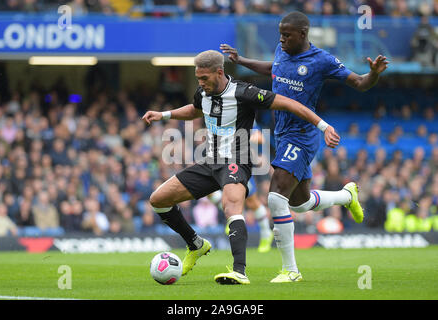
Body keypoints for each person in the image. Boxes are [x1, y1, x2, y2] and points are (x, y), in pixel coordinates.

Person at [142, 49, 339, 285]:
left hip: (236, 160)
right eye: (198, 78)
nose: (200, 82)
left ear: (219, 72)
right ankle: (195, 244)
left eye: (204, 78)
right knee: (158, 199)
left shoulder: (245, 92)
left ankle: (239, 271)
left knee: (231, 206)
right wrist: (163, 115)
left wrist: (323, 126)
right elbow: (195, 109)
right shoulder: (203, 91)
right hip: (210, 161)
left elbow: (289, 104)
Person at [220, 11, 388, 283]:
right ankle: (346, 196)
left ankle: (291, 271)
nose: (282, 39)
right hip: (282, 133)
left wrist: (373, 74)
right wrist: (242, 61)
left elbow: (359, 83)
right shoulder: (281, 50)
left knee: (276, 197)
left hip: (302, 134)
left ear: (303, 34)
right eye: (280, 34)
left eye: (287, 35)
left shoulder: (321, 60)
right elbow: (273, 67)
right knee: (299, 203)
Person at [207, 122, 274, 253]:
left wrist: (240, 139)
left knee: (252, 201)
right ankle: (235, 213)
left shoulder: (245, 118)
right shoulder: (225, 118)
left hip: (241, 165)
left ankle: (266, 233)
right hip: (223, 162)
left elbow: (260, 137)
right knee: (209, 191)